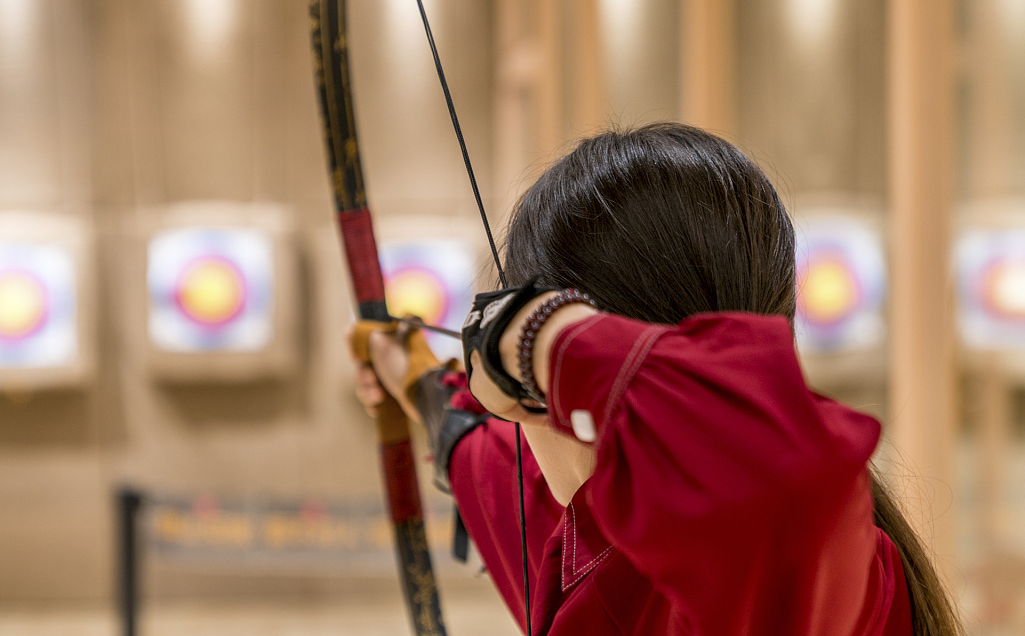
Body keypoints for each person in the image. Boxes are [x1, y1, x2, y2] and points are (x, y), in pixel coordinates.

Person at [348, 123, 964, 636]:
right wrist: (415, 375)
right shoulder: (585, 538)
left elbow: (768, 474)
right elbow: (482, 451)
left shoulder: (789, 560)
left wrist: (538, 334)